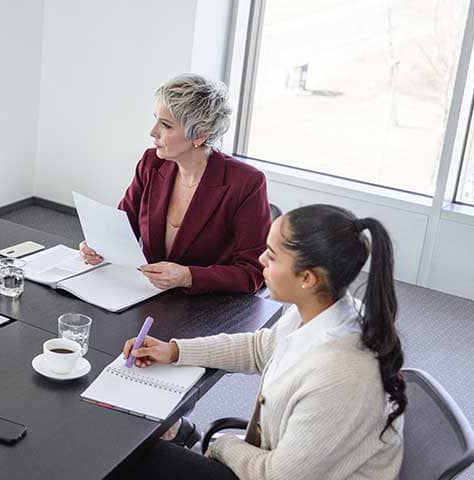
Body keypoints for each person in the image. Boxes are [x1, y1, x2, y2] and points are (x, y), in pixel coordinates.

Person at [115, 204, 406, 479]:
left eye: (271, 254)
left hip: (272, 473)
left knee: (132, 460)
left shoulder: (341, 377)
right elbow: (258, 348)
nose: (260, 260)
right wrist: (175, 350)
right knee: (138, 453)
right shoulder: (323, 309)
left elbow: (276, 476)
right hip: (274, 458)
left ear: (307, 278)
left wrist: (221, 446)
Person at [80, 74, 270, 295]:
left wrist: (188, 276)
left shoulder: (246, 183)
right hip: (147, 295)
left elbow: (253, 273)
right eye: (156, 120)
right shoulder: (151, 163)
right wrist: (96, 246)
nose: (153, 132)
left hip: (208, 308)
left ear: (200, 135)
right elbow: (121, 228)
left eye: (166, 125)